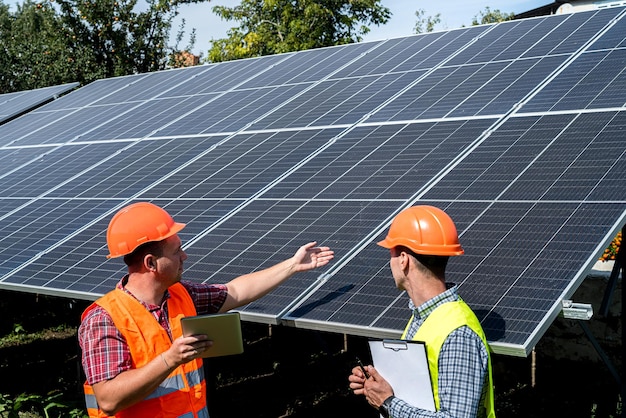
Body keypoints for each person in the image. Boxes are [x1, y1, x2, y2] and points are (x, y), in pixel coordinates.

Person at [79, 201, 334, 417]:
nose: (185, 256)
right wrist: (170, 359)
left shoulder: (181, 295)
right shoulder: (104, 318)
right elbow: (109, 399)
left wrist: (292, 265)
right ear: (151, 263)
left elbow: (235, 292)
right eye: (177, 251)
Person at [348, 205, 495, 418]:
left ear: (403, 260)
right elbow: (421, 391)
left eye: (391, 253)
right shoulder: (425, 317)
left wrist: (388, 403)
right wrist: (377, 385)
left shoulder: (458, 334)